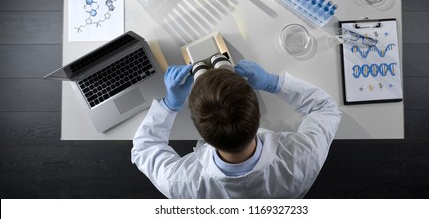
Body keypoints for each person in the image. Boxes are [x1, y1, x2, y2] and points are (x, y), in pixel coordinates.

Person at [131, 60, 341, 198]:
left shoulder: (183, 183)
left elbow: (144, 148)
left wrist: (170, 104)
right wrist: (272, 82)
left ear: (200, 131)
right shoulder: (304, 157)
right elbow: (325, 108)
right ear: (258, 116)